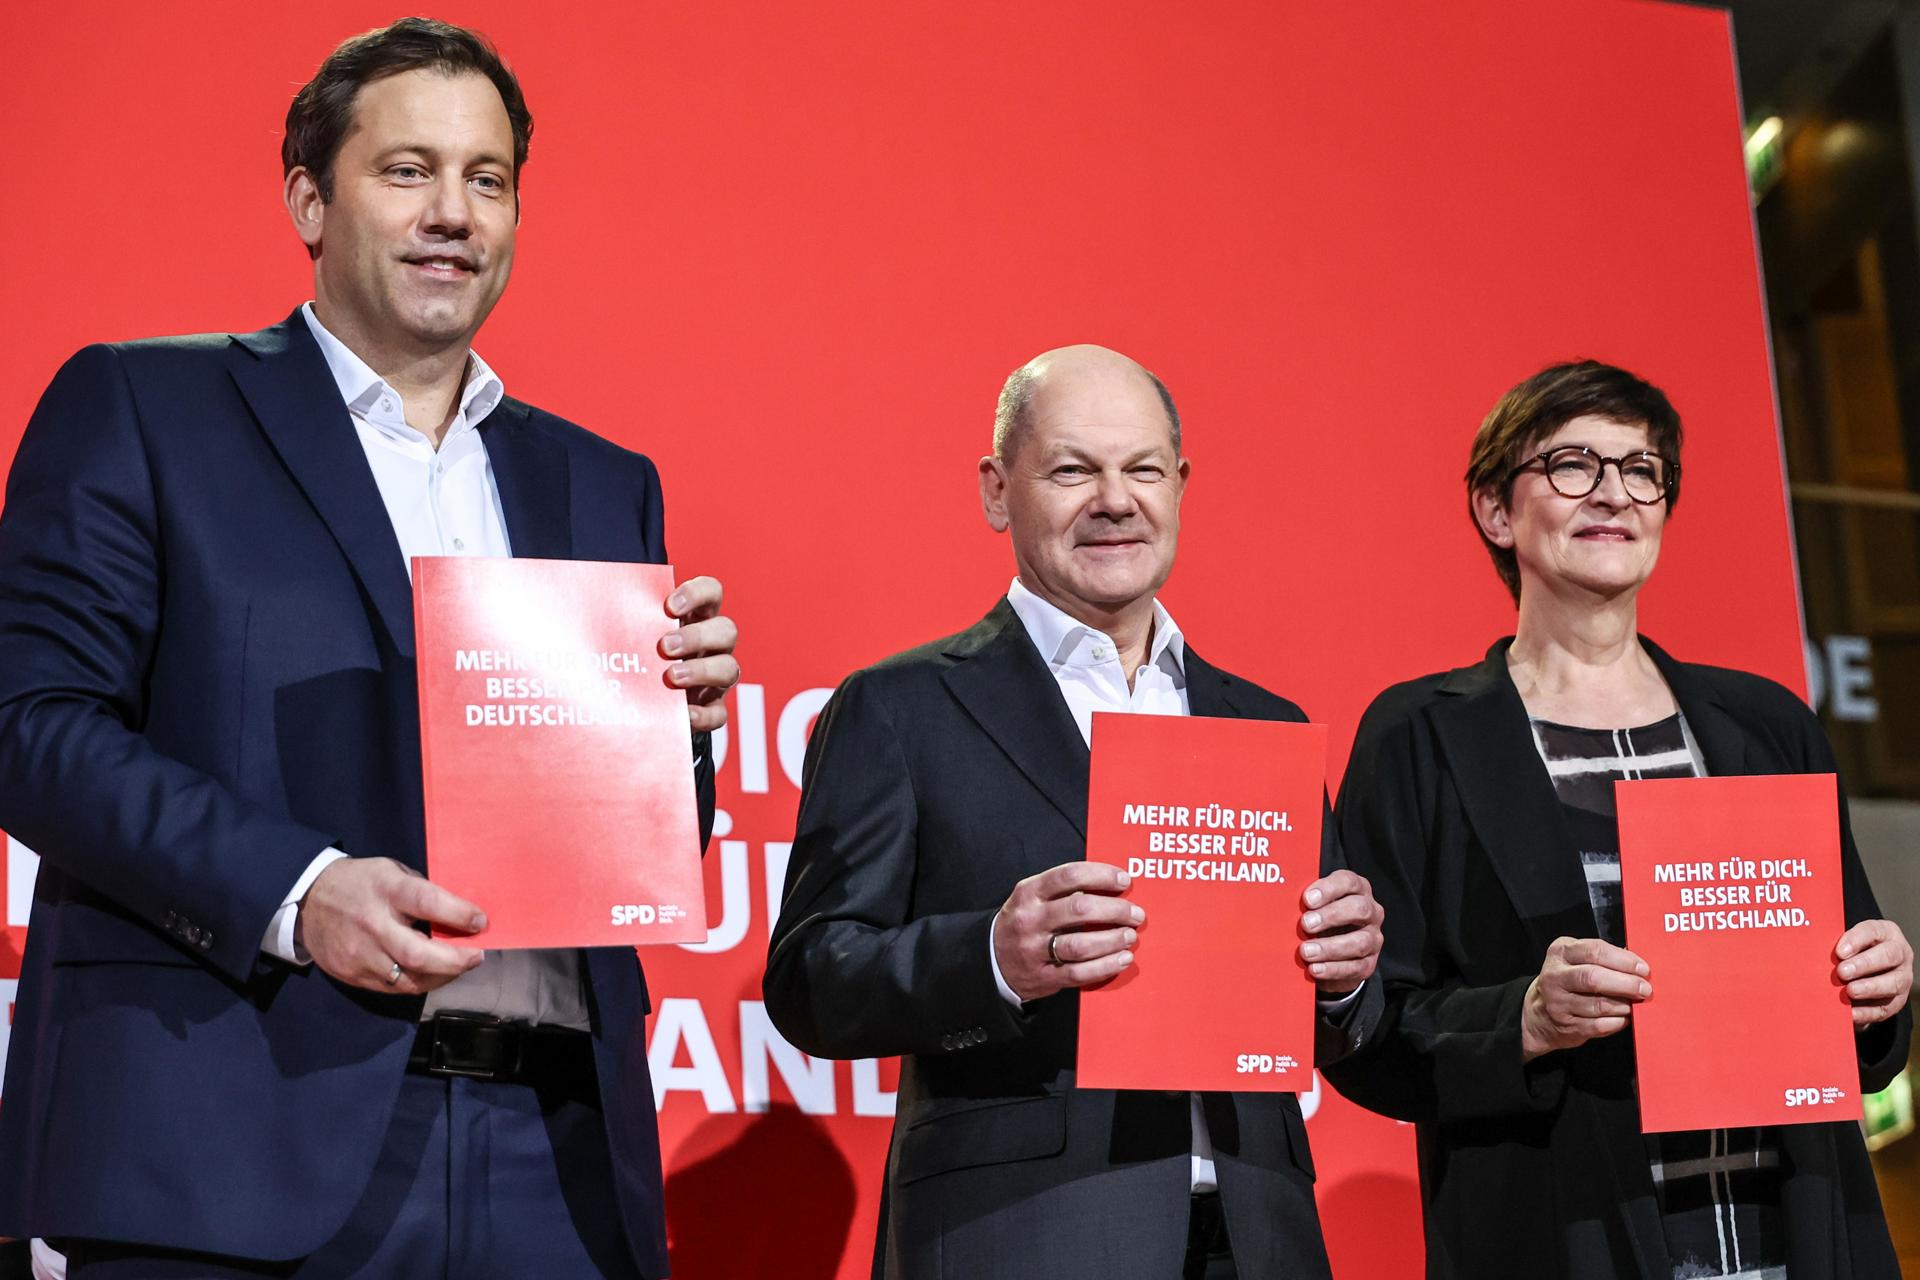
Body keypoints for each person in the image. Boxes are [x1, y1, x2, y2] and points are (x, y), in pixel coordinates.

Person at [0, 19, 739, 1278]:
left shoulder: (602, 481)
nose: (453, 210)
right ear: (307, 197)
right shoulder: (145, 406)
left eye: (487, 178)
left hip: (554, 1157)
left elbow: (621, 840)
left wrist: (678, 747)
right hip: (231, 1139)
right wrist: (300, 893)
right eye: (407, 171)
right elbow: (31, 724)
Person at [763, 344, 1385, 1280]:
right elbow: (812, 979)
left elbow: (1342, 1025)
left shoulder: (1264, 723)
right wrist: (994, 958)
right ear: (996, 491)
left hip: (1261, 1237)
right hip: (1022, 1233)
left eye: (1141, 469)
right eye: (1070, 469)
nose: (1113, 499)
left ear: (1180, 486)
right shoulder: (900, 708)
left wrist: (1341, 977)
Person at [1325, 360, 1913, 1279]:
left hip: (1797, 1229)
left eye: (1641, 470)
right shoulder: (1420, 736)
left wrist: (1879, 987)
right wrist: (1525, 1019)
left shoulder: (1764, 725)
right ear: (1494, 509)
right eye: (1572, 465)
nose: (1614, 494)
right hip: (1566, 1236)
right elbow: (1364, 1032)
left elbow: (1866, 1030)